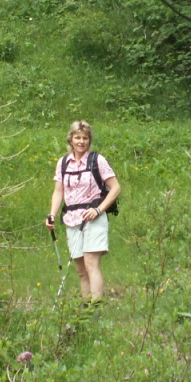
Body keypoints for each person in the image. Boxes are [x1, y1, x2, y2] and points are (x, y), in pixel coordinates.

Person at [46, 120, 121, 305]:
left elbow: (115, 188)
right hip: (72, 219)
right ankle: (85, 309)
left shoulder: (97, 160)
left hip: (93, 218)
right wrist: (52, 214)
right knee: (81, 270)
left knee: (90, 264)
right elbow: (58, 191)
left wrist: (98, 209)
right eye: (77, 137)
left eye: (85, 138)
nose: (81, 142)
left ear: (89, 140)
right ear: (71, 139)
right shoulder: (63, 163)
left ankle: (95, 307)